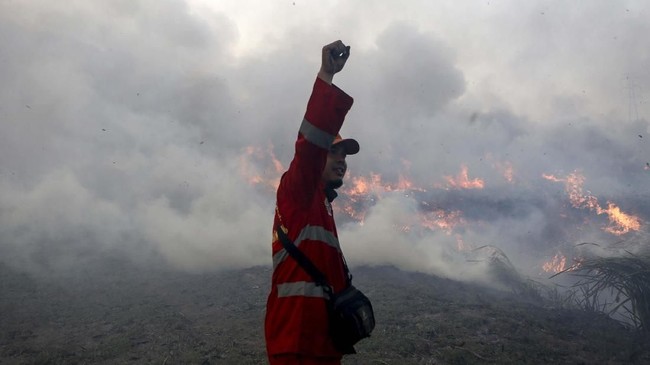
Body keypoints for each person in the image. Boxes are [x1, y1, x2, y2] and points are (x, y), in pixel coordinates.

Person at [265, 40, 359, 365]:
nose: (342, 160)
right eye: (335, 151)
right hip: (297, 344)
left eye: (345, 155)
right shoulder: (298, 191)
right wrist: (326, 76)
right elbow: (310, 143)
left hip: (322, 346)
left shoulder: (322, 204)